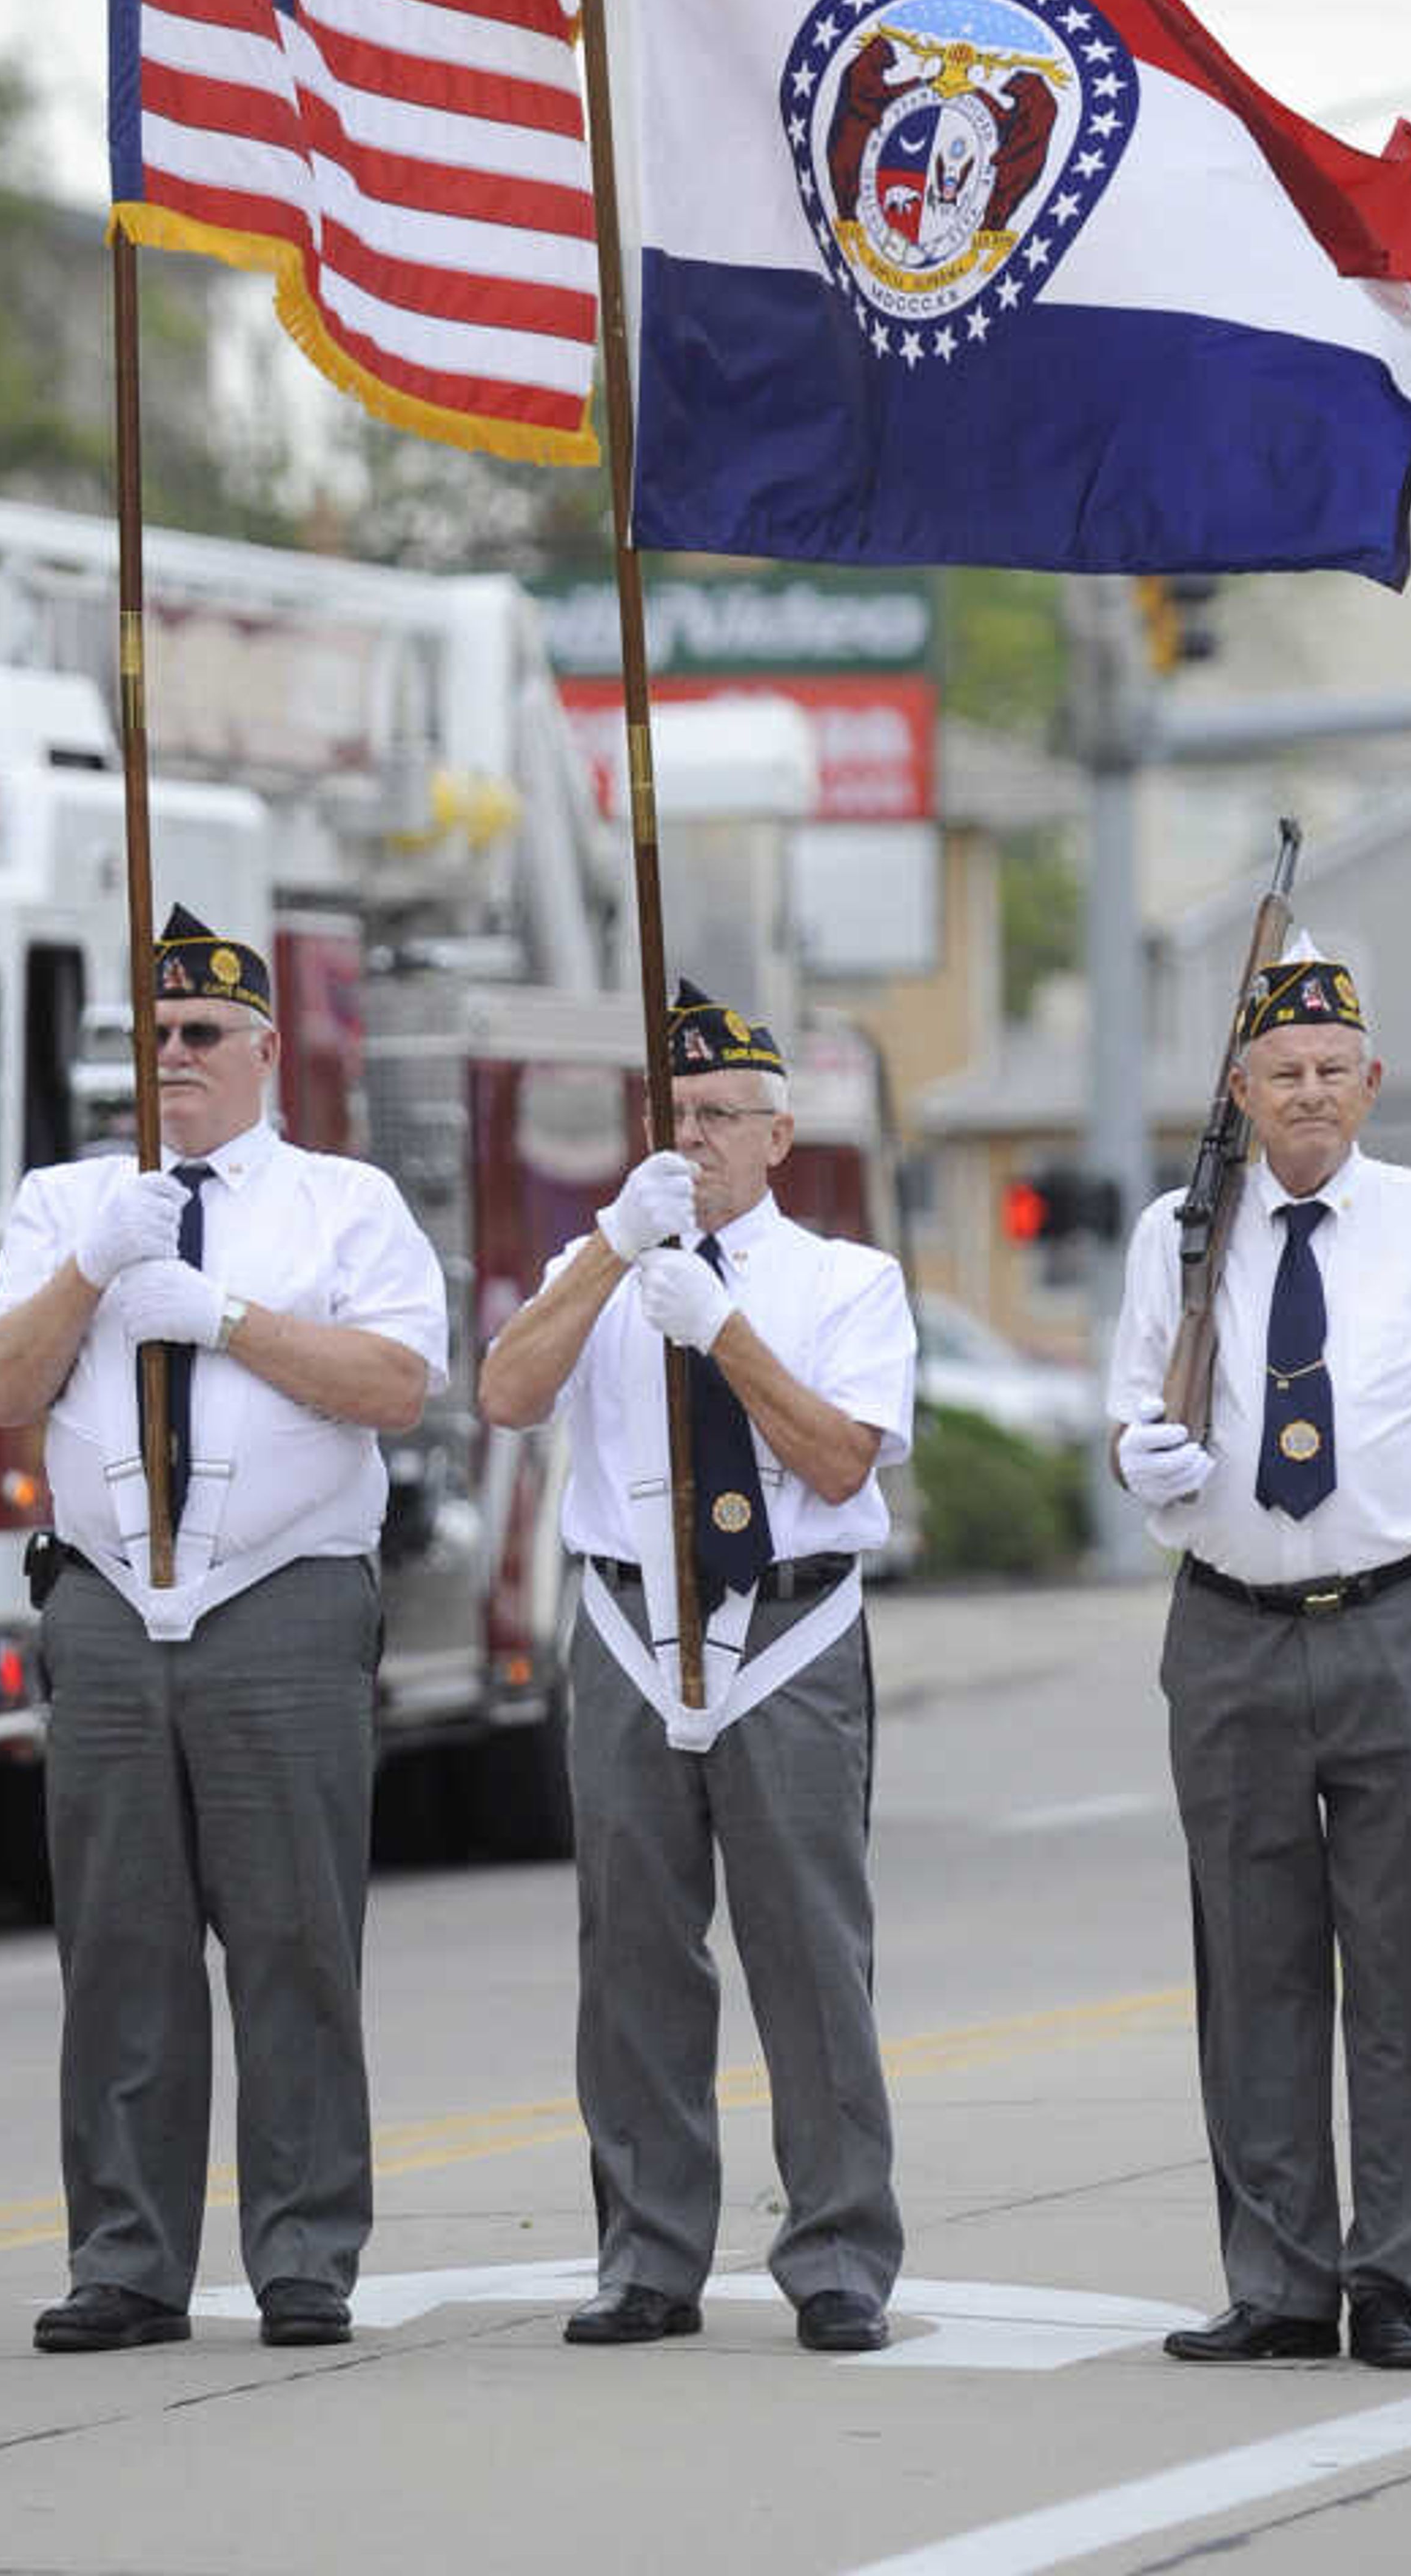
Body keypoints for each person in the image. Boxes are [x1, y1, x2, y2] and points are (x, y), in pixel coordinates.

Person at [0, 906, 447, 2357]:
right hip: (112, 1598)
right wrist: (93, 1270)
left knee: (296, 1935)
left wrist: (223, 1313)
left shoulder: (339, 1201)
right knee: (119, 1945)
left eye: (199, 1036)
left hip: (282, 1593)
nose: (171, 1059)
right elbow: (0, 1384)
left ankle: (303, 2251)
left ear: (262, 1053)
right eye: (151, 1038)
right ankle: (126, 2258)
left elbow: (398, 1381)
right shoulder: (69, 1201)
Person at [1107, 954, 1411, 2373]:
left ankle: (1392, 2274)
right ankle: (1280, 2282)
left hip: (1400, 1620)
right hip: (1230, 1622)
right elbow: (1136, 1420)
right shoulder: (1178, 1231)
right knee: (1251, 1966)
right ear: (1239, 1095)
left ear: (1370, 1084)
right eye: (1281, 1073)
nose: (1308, 1093)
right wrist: (1149, 1456)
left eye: (1332, 1069)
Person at [479, 981, 915, 2356]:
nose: (700, 1137)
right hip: (625, 1623)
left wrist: (719, 1328)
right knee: (634, 1961)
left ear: (781, 1135)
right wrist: (612, 1252)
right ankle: (650, 2252)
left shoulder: (848, 1280)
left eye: (725, 1115)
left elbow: (842, 1455)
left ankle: (838, 2252)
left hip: (785, 1629)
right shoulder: (602, 1261)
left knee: (809, 1956)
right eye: (676, 1115)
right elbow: (504, 1393)